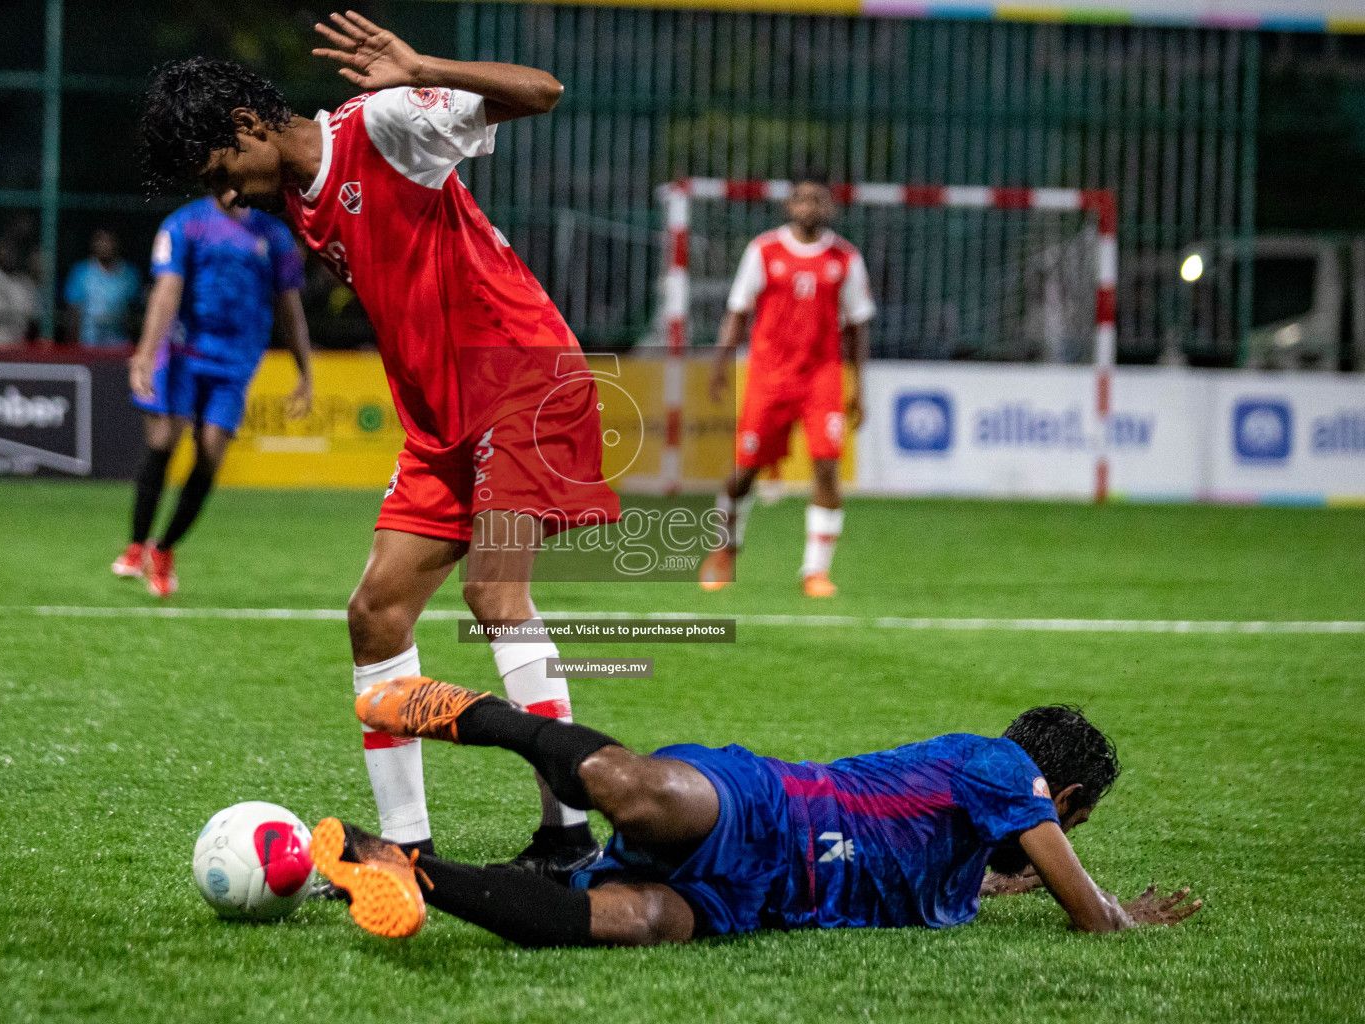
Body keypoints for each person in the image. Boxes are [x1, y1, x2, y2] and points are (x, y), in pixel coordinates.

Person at [137, 11, 620, 873]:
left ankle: (568, 835)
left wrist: (420, 65)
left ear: (248, 127)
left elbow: (542, 92)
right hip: (441, 421)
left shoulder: (385, 126)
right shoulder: (293, 200)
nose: (230, 195)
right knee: (375, 616)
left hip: (520, 378)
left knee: (494, 595)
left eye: (223, 171)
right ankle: (407, 851)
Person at [309, 679, 1202, 946]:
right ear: (1067, 801)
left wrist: (1003, 884)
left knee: (631, 920)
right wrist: (1119, 913)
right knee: (634, 788)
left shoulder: (969, 867)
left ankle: (393, 863)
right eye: (1071, 826)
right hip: (771, 804)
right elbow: (1087, 914)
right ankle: (463, 712)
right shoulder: (1002, 765)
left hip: (767, 898)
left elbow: (994, 879)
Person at [112, 191, 313, 597]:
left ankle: (163, 549)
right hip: (182, 354)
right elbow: (166, 290)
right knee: (163, 438)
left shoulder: (272, 236)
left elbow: (289, 303)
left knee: (210, 453)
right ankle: (135, 545)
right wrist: (147, 353)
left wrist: (305, 370)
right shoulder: (184, 224)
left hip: (234, 365)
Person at [699, 181, 875, 598]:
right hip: (769, 376)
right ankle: (725, 550)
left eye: (818, 199)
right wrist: (721, 364)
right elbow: (738, 311)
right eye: (802, 198)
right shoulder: (764, 251)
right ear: (789, 205)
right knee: (743, 473)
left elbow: (857, 325)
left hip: (822, 377)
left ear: (829, 208)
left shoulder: (845, 258)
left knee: (827, 468)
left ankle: (815, 571)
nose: (809, 206)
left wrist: (858, 386)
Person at [64, 229, 142, 347]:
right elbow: (73, 309)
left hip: (119, 343)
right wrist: (73, 343)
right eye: (100, 241)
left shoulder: (129, 273)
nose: (104, 245)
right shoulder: (81, 271)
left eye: (108, 241)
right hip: (87, 342)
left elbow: (135, 309)